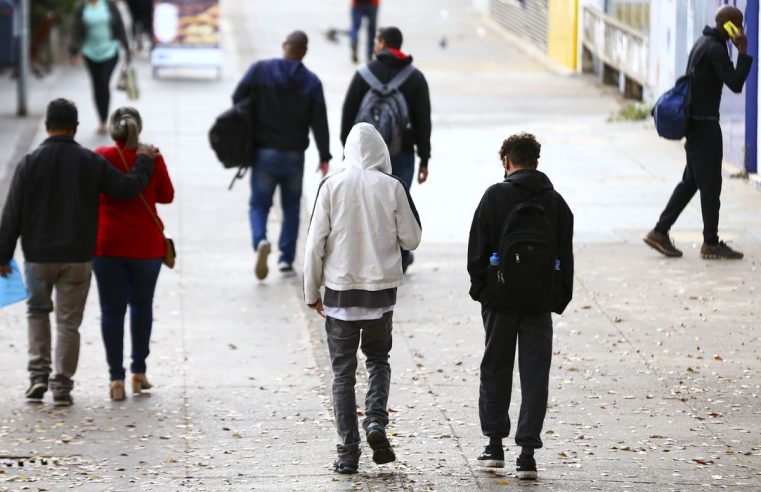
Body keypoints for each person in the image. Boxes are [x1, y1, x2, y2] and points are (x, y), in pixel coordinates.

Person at [0, 98, 157, 407]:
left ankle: (38, 377)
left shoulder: (29, 163)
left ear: (47, 127)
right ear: (75, 128)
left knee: (37, 313)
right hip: (78, 258)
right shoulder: (89, 161)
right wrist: (144, 162)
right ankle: (62, 387)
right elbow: (125, 189)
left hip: (38, 258)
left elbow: (12, 213)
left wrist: (3, 255)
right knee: (68, 323)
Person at [304, 123, 422, 475]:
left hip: (340, 294)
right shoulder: (392, 187)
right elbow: (412, 239)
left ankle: (347, 452)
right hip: (380, 296)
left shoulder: (331, 186)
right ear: (381, 151)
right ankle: (374, 421)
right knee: (378, 361)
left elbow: (314, 244)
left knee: (342, 373)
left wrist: (312, 292)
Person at [467, 133, 573, 480]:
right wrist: (557, 300)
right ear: (536, 163)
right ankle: (527, 454)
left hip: (500, 301)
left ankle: (494, 446)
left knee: (496, 368)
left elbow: (476, 254)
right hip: (539, 302)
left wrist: (484, 292)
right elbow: (565, 258)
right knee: (535, 374)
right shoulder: (556, 203)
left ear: (506, 162)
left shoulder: (494, 197)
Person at [644, 5, 752, 260]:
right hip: (705, 127)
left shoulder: (702, 42)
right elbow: (735, 83)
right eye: (738, 24)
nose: (741, 29)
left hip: (697, 125)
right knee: (711, 186)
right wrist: (744, 52)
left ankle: (659, 231)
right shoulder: (715, 49)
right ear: (729, 26)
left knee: (692, 182)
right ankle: (710, 243)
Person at [232, 30, 331, 280]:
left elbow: (237, 99)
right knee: (291, 208)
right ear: (304, 51)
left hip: (264, 152)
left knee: (259, 203)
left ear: (285, 45)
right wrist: (324, 155)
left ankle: (261, 240)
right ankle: (286, 259)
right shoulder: (311, 82)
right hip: (294, 156)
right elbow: (320, 122)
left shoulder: (260, 71)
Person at [92, 107, 174, 401]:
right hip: (146, 248)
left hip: (108, 245)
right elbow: (166, 195)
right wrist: (153, 161)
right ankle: (139, 372)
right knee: (142, 306)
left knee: (111, 312)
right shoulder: (151, 156)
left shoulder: (102, 155)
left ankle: (116, 379)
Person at [340, 26, 431, 273]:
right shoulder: (415, 78)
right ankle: (400, 257)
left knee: (366, 205)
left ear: (381, 42)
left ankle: (370, 258)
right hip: (401, 153)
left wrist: (345, 151)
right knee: (398, 205)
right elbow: (424, 120)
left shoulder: (363, 74)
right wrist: (424, 158)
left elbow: (348, 114)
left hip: (364, 156)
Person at [69, 0, 131, 135]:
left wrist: (127, 49)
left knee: (104, 82)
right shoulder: (81, 7)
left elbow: (120, 26)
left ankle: (105, 119)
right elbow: (75, 30)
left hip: (110, 50)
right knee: (97, 85)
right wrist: (73, 51)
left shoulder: (109, 5)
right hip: (90, 51)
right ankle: (102, 120)